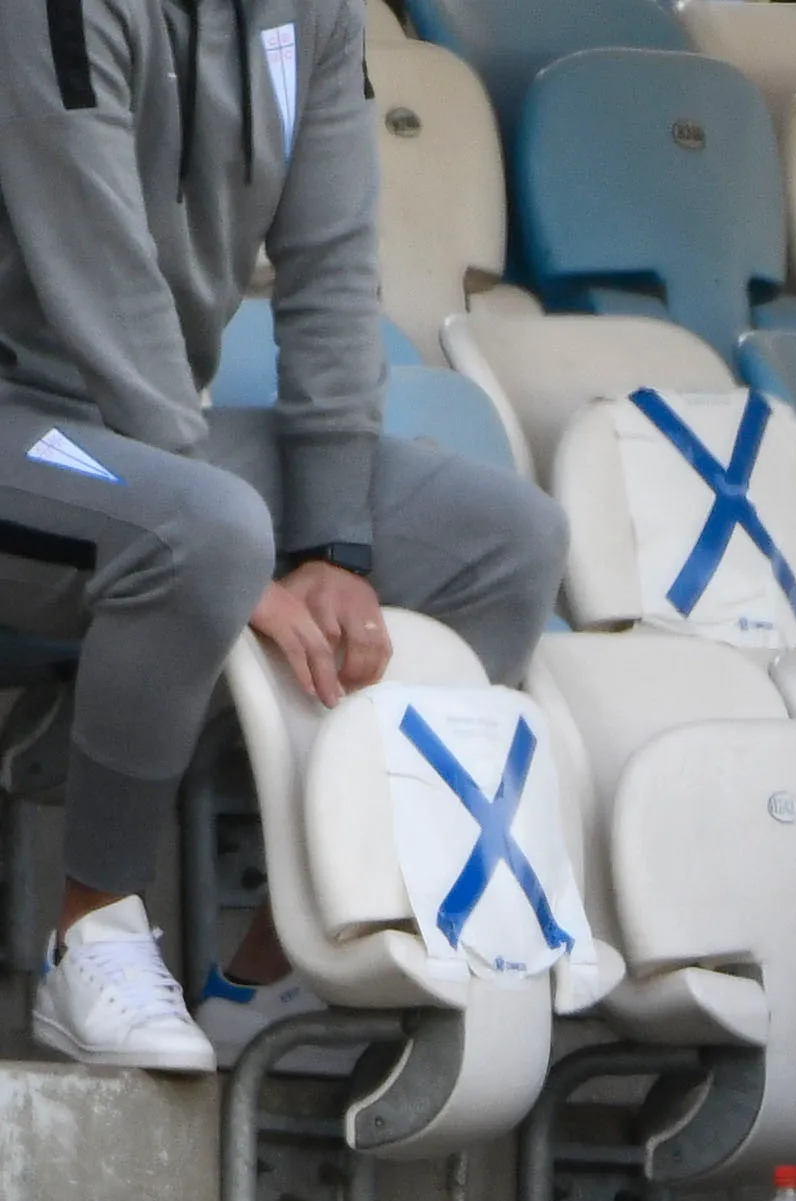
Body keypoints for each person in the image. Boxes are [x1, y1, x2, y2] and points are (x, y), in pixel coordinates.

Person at [0, 0, 569, 1071]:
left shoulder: (315, 17)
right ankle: (92, 933)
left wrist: (335, 546)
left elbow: (336, 267)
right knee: (206, 527)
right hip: (25, 422)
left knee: (508, 538)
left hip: (146, 441)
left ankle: (283, 966)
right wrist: (247, 553)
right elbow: (101, 274)